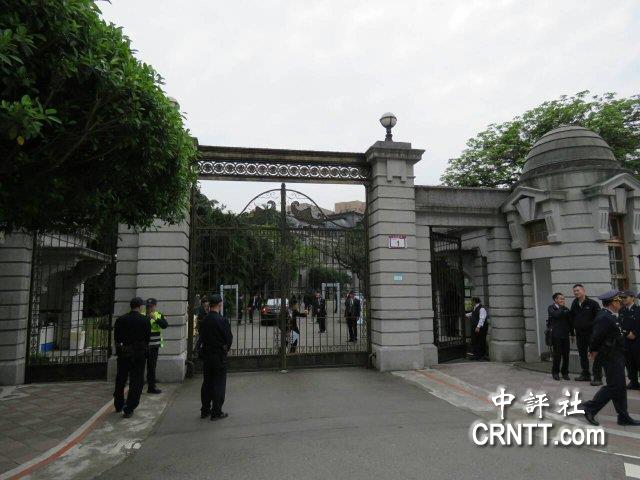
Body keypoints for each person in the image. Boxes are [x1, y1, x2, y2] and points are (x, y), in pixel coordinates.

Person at [582, 290, 640, 427]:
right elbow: (596, 337)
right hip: (610, 356)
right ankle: (590, 408)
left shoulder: (611, 315)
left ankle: (623, 416)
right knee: (614, 386)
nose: (621, 303)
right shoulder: (604, 317)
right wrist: (593, 351)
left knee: (619, 387)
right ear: (613, 303)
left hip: (617, 355)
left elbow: (616, 332)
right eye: (618, 301)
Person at [113, 297, 151, 418]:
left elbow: (117, 337)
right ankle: (130, 407)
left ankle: (118, 403)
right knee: (137, 380)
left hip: (124, 352)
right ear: (140, 306)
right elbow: (147, 338)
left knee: (121, 378)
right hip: (139, 353)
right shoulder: (145, 320)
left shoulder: (121, 319)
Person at [199, 294, 233, 421]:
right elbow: (228, 339)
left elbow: (201, 337)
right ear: (220, 304)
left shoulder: (204, 320)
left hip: (207, 356)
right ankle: (216, 412)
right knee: (219, 383)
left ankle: (205, 410)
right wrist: (225, 349)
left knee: (207, 382)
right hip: (219, 356)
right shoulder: (222, 320)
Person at [569, 284, 602, 385]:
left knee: (595, 355)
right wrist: (572, 331)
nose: (576, 293)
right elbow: (571, 318)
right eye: (574, 291)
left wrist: (595, 331)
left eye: (578, 290)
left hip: (592, 334)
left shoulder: (593, 304)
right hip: (580, 334)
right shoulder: (574, 303)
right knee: (582, 355)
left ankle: (597, 377)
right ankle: (585, 374)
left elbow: (599, 319)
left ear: (583, 291)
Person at [547, 293, 573, 380]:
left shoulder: (566, 309)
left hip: (565, 335)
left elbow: (570, 322)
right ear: (555, 300)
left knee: (566, 355)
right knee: (557, 355)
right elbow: (556, 315)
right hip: (556, 335)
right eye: (561, 299)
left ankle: (565, 373)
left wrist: (572, 333)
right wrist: (561, 307)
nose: (563, 300)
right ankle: (555, 372)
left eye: (563, 299)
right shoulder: (551, 308)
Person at [145, 298, 168, 394]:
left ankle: (151, 387)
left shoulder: (159, 315)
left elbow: (165, 325)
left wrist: (156, 318)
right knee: (140, 367)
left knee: (151, 367)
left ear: (155, 306)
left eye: (151, 306)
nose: (149, 308)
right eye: (148, 306)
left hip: (154, 346)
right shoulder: (143, 315)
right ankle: (138, 386)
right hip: (144, 346)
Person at [619, 290, 640, 389]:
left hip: (637, 341)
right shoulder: (622, 311)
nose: (623, 299)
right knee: (629, 362)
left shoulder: (638, 310)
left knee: (638, 361)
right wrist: (626, 334)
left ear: (632, 298)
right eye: (622, 298)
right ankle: (633, 381)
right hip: (626, 340)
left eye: (625, 297)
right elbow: (620, 324)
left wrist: (635, 333)